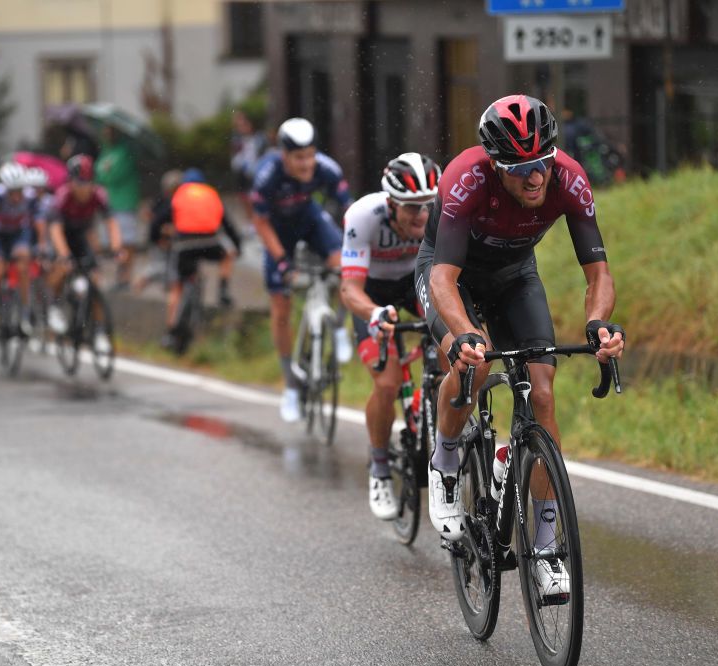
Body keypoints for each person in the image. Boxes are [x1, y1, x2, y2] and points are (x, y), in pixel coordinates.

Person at [415, 94, 624, 600]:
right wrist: (464, 334)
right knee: (475, 364)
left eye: (543, 165)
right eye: (520, 168)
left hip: (514, 276)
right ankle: (444, 464)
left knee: (544, 394)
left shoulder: (569, 178)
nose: (535, 179)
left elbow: (597, 272)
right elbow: (444, 277)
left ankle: (548, 549)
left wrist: (598, 322)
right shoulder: (466, 179)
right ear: (494, 164)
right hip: (450, 275)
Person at [340, 153, 442, 520]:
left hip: (416, 285)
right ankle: (380, 468)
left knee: (455, 351)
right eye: (412, 207)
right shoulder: (363, 216)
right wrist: (373, 313)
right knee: (386, 384)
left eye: (427, 205)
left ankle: (442, 425)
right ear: (391, 203)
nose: (422, 215)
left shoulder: (442, 212)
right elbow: (349, 289)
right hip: (373, 295)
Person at [250, 117, 355, 422]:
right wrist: (282, 261)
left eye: (310, 155)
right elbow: (260, 222)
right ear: (284, 155)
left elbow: (351, 212)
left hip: (309, 220)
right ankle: (291, 385)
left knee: (345, 265)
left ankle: (337, 328)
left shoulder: (327, 168)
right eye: (299, 158)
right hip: (277, 231)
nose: (307, 163)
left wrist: (357, 244)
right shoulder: (267, 176)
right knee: (280, 309)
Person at [149, 168, 241, 349]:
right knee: (228, 254)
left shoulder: (180, 195)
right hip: (210, 242)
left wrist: (157, 240)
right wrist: (238, 247)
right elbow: (228, 225)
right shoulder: (210, 194)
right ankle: (223, 290)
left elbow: (157, 222)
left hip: (184, 245)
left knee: (176, 287)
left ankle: (170, 332)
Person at [45, 154, 123, 353]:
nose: (84, 189)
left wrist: (116, 247)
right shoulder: (62, 196)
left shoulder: (99, 195)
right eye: (80, 183)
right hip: (61, 235)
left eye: (88, 183)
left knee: (94, 282)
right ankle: (54, 305)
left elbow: (111, 223)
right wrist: (64, 255)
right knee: (62, 268)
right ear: (70, 182)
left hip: (82, 235)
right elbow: (55, 230)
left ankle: (98, 332)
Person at [0, 162, 41, 336]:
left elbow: (39, 224)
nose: (16, 197)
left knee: (23, 267)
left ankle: (25, 311)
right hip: (0, 236)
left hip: (19, 233)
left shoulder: (30, 196)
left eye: (19, 191)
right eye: (11, 192)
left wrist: (42, 245)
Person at [95, 124, 143, 291]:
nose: (106, 133)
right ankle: (120, 275)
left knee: (127, 240)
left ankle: (125, 277)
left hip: (125, 202)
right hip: (110, 203)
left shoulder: (124, 152)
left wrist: (104, 171)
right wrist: (104, 171)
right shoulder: (106, 152)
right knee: (115, 242)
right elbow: (99, 174)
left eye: (109, 130)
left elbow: (111, 175)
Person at [230, 109, 267, 217]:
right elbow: (235, 156)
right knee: (243, 196)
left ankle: (256, 219)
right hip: (241, 171)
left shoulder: (259, 138)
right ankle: (250, 220)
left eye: (243, 124)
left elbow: (263, 154)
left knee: (254, 197)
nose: (241, 127)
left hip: (254, 171)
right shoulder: (236, 138)